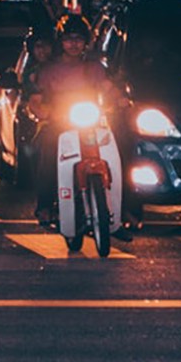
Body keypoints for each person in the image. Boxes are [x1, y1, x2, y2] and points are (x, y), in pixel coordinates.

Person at [24, 13, 116, 227]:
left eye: (78, 39)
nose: (73, 44)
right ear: (61, 42)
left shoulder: (94, 68)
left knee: (120, 148)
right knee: (47, 152)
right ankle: (45, 206)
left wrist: (120, 101)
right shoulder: (47, 71)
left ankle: (126, 211)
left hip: (91, 124)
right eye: (68, 39)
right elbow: (35, 100)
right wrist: (44, 112)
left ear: (86, 42)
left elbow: (109, 89)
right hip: (58, 125)